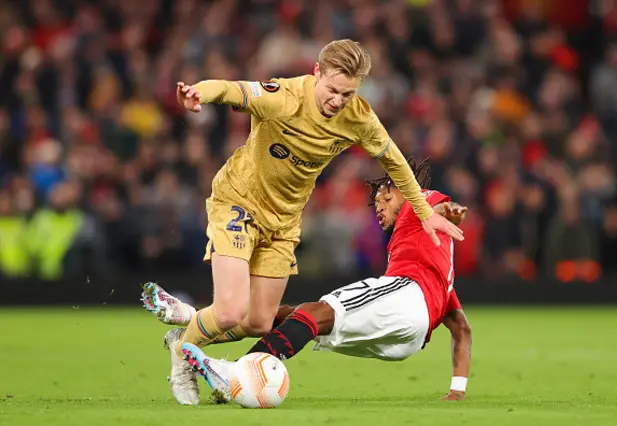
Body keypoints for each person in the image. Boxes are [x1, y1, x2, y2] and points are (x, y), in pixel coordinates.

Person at [146, 39, 464, 405]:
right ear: (316, 72)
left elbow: (395, 162)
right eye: (332, 89)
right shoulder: (283, 96)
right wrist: (198, 93)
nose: (337, 101)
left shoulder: (358, 116)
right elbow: (232, 90)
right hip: (240, 202)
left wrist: (425, 213)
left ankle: (187, 332)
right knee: (231, 311)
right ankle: (183, 358)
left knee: (259, 323)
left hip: (283, 222)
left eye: (348, 93)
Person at [145, 157, 472, 403]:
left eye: (384, 199)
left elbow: (441, 205)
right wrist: (457, 392)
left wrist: (449, 211)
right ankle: (195, 324)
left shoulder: (421, 203)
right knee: (292, 316)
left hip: (405, 296)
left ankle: (239, 373)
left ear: (404, 191)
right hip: (408, 340)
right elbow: (461, 329)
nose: (378, 208)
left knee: (317, 313)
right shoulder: (441, 271)